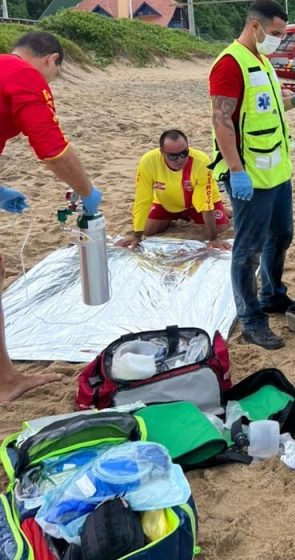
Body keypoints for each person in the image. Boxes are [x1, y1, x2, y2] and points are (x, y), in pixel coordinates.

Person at [0, 31, 102, 401]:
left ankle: (6, 377)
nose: (51, 82)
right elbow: (52, 149)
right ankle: (7, 382)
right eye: (55, 74)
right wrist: (88, 192)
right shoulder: (25, 75)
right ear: (51, 59)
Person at [208, 0, 295, 350]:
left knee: (281, 235)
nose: (278, 41)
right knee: (248, 249)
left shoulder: (262, 61)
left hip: (277, 172)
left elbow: (265, 108)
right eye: (274, 34)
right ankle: (252, 317)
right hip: (249, 176)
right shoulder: (229, 64)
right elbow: (222, 120)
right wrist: (236, 172)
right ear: (254, 26)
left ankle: (272, 294)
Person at [115, 130, 230, 250]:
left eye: (184, 153)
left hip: (195, 202)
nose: (179, 159)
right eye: (173, 156)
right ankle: (179, 214)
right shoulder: (148, 162)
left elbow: (205, 202)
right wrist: (136, 236)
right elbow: (142, 199)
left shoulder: (201, 161)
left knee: (220, 229)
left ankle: (222, 209)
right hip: (166, 202)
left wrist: (213, 239)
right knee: (148, 231)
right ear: (162, 152)